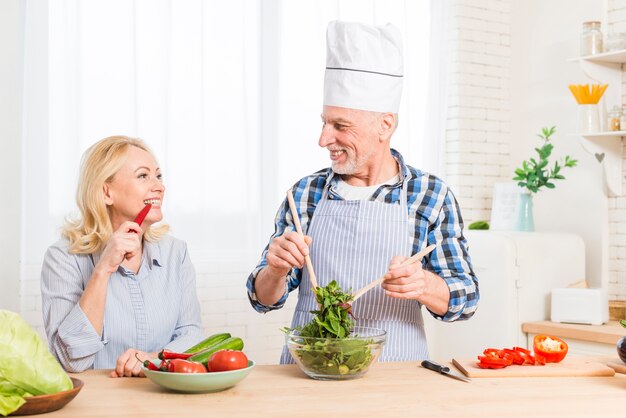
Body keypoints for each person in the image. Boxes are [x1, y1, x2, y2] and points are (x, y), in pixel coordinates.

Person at [246, 21, 479, 362]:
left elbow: (467, 299)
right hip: (310, 372)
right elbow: (263, 299)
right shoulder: (305, 193)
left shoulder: (430, 194)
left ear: (385, 125)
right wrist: (275, 270)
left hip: (395, 376)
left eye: (340, 126)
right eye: (324, 122)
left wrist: (424, 285)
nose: (323, 139)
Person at [41, 136, 204, 377]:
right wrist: (103, 269)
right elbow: (71, 361)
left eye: (158, 176)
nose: (159, 186)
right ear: (106, 192)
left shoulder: (175, 253)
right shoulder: (63, 258)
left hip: (163, 397)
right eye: (143, 176)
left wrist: (153, 360)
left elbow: (191, 335)